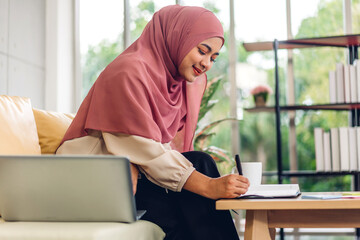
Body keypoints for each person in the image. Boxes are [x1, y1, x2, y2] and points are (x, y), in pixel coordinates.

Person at [57, 4, 249, 240]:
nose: (207, 63)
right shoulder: (128, 72)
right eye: (202, 50)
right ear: (176, 36)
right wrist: (209, 186)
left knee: (199, 164)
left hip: (128, 176)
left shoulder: (170, 83)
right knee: (189, 200)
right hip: (93, 180)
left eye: (213, 58)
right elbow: (143, 148)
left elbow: (154, 149)